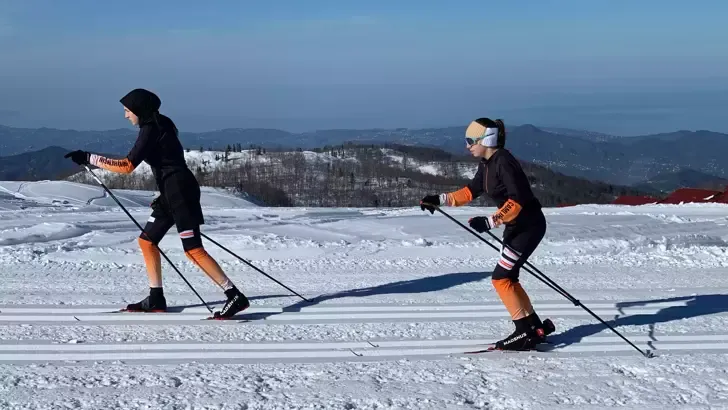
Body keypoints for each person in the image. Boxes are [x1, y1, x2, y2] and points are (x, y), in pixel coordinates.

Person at [64, 88, 249, 319]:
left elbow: (127, 166)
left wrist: (89, 158)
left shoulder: (151, 129)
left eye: (127, 111)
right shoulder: (158, 125)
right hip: (170, 193)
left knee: (193, 249)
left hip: (180, 193)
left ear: (139, 110)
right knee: (147, 242)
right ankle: (156, 297)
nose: (125, 116)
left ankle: (233, 295)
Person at [419, 117, 555, 350]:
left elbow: (518, 200)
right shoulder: (487, 162)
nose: (467, 145)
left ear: (487, 139)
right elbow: (471, 191)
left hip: (528, 226)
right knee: (508, 277)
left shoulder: (503, 162)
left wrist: (491, 221)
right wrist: (439, 200)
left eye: (471, 140)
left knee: (501, 278)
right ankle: (532, 326)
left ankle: (524, 330)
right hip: (517, 227)